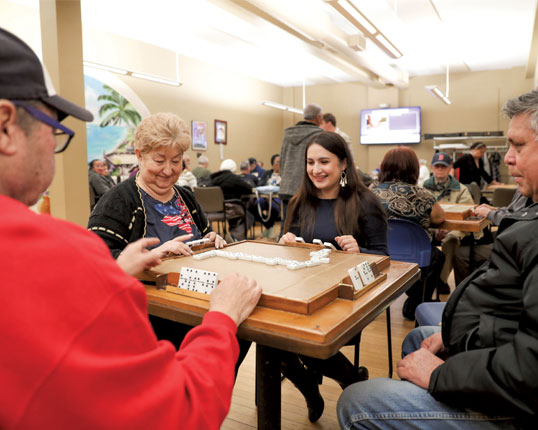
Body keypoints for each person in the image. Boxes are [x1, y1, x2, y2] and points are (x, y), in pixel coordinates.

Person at [0, 27, 262, 429]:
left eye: (177, 162)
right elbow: (176, 411)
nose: (169, 170)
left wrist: (118, 270)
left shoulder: (185, 198)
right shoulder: (68, 245)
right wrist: (223, 318)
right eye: (55, 131)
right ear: (6, 125)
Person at [338, 88, 538, 430]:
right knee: (447, 251)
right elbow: (436, 220)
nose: (506, 157)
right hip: (417, 262)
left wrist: (441, 372)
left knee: (354, 401)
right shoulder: (425, 193)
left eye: (517, 146)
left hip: (382, 267)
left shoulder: (368, 196)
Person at [278, 131, 388, 422]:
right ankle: (312, 391)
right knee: (269, 337)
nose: (316, 169)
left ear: (343, 165)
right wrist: (285, 242)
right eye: (310, 162)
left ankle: (350, 379)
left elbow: (384, 258)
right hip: (303, 290)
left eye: (324, 161)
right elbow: (284, 249)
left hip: (346, 297)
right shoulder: (300, 202)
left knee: (298, 336)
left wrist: (360, 250)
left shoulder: (365, 202)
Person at [372, 147, 446, 320]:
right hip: (414, 257)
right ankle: (418, 302)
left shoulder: (371, 192)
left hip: (379, 255)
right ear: (414, 169)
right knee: (437, 257)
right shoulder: (422, 195)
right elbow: (439, 217)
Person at [452, 187, 533, 286]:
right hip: (512, 237)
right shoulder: (525, 186)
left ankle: (465, 295)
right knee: (469, 241)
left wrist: (490, 214)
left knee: (461, 254)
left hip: (516, 245)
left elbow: (515, 221)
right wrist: (494, 209)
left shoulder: (530, 190)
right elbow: (512, 211)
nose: (512, 174)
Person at [423, 152, 474, 294]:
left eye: (443, 167)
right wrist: (434, 231)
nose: (440, 170)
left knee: (451, 240)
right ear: (431, 167)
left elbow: (467, 216)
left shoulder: (461, 190)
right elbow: (420, 214)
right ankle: (419, 283)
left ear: (450, 168)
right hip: (429, 228)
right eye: (437, 166)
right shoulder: (423, 188)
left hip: (453, 229)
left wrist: (448, 228)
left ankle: (441, 280)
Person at [279, 103, 323, 224]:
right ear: (319, 117)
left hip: (287, 188)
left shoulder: (287, 134)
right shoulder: (320, 135)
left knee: (287, 226)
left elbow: (281, 163)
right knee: (307, 227)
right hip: (307, 188)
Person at [210, 159, 254, 240]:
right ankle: (236, 237)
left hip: (211, 212)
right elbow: (249, 189)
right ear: (233, 169)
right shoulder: (233, 178)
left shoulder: (211, 178)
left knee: (236, 211)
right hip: (229, 209)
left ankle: (232, 236)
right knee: (249, 216)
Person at [250, 153, 281, 238]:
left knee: (274, 208)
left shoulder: (284, 175)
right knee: (257, 204)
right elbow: (260, 185)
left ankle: (269, 227)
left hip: (277, 198)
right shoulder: (267, 173)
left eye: (281, 162)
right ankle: (269, 226)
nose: (279, 164)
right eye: (277, 162)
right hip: (264, 197)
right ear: (272, 164)